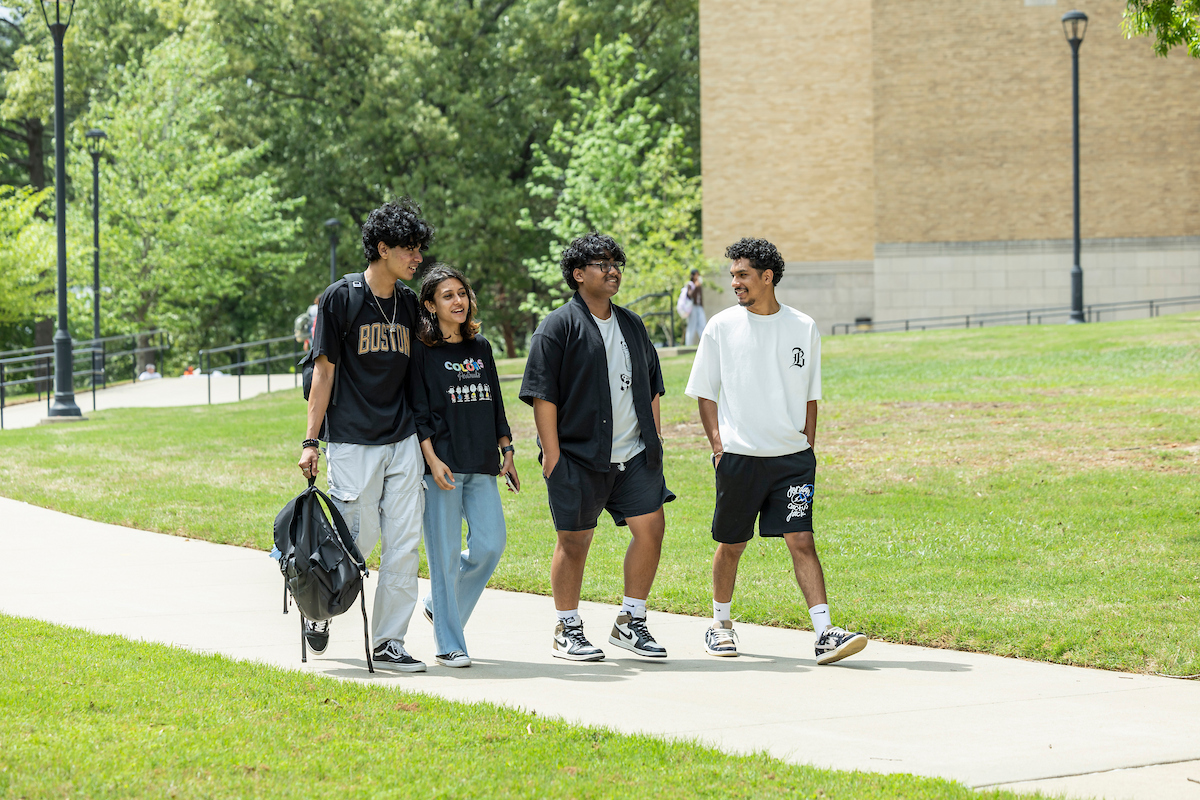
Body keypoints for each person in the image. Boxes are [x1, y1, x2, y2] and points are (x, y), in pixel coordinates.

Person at [684, 237, 868, 665]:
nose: (735, 283)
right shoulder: (721, 327)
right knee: (732, 543)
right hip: (740, 457)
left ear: (767, 278)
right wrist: (718, 446)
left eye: (742, 275)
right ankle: (720, 624)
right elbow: (704, 392)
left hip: (792, 459)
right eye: (733, 276)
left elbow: (811, 396)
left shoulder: (803, 326)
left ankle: (824, 633)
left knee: (801, 538)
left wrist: (808, 447)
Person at [520, 232, 675, 662]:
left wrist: (655, 437)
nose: (612, 271)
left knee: (651, 530)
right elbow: (542, 394)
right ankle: (567, 628)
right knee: (574, 541)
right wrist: (551, 454)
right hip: (577, 457)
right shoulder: (557, 326)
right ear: (578, 274)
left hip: (635, 454)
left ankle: (630, 622)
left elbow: (652, 383)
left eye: (616, 263)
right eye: (601, 263)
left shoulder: (631, 323)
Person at [297, 197, 434, 672]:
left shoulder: (410, 303)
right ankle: (318, 603)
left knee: (404, 541)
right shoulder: (342, 298)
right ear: (382, 247)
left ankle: (389, 641)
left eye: (419, 249)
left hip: (400, 438)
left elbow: (419, 375)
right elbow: (323, 374)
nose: (417, 258)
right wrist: (310, 441)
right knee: (355, 537)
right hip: (353, 439)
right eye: (409, 249)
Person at [410, 264, 519, 668]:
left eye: (462, 293)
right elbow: (419, 411)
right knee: (443, 556)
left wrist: (506, 450)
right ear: (430, 305)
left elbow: (495, 404)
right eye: (447, 296)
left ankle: (441, 605)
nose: (458, 301)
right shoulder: (422, 349)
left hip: (481, 462)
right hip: (443, 467)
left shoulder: (481, 347)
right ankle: (449, 643)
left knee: (490, 545)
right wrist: (431, 459)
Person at [684, 268, 707, 346]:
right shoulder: (690, 284)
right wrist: (695, 287)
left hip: (699, 307)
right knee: (691, 326)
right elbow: (689, 295)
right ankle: (688, 345)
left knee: (702, 325)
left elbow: (700, 297)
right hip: (692, 307)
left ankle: (705, 344)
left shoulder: (699, 285)